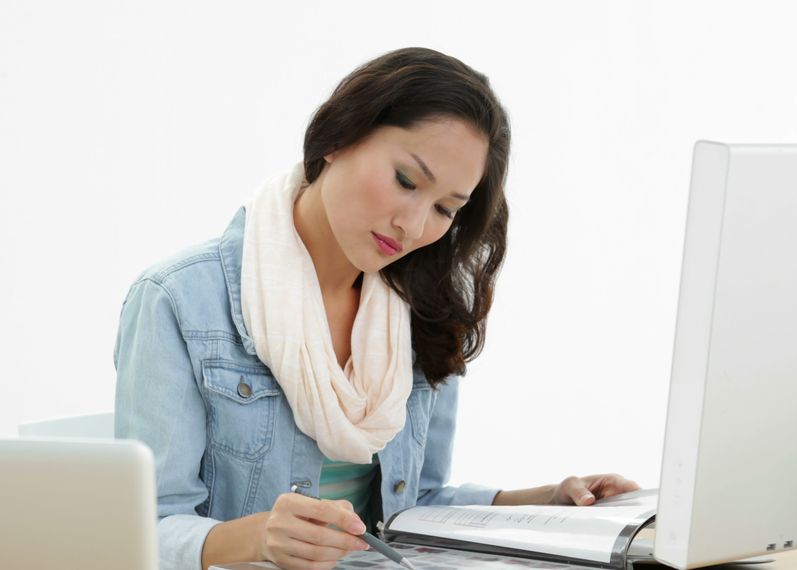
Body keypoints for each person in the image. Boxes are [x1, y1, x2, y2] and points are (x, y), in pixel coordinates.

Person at [113, 47, 640, 570]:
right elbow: (145, 530)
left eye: (443, 209)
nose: (412, 226)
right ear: (340, 137)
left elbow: (412, 511)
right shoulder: (179, 300)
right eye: (406, 181)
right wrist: (257, 540)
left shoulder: (421, 311)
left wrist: (546, 501)